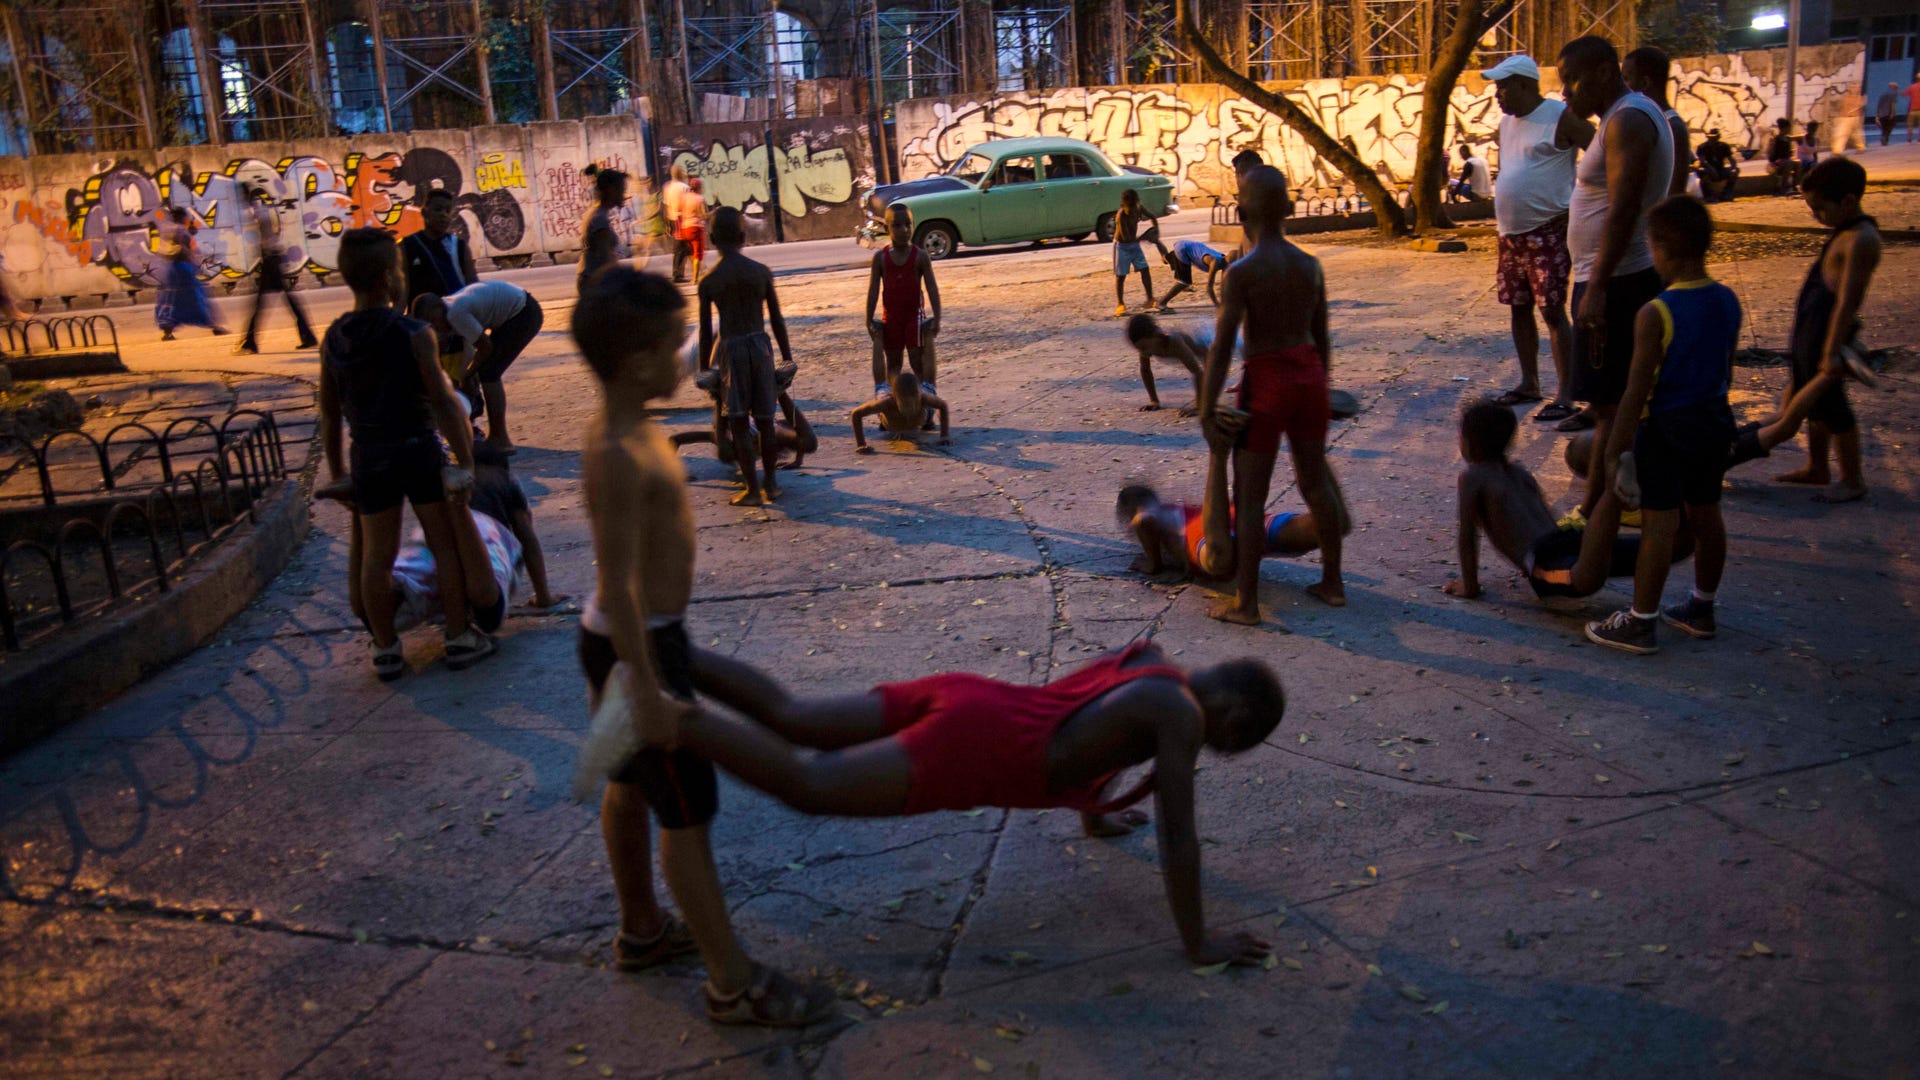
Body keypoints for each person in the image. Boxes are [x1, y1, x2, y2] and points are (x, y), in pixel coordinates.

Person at [665, 641, 1281, 968]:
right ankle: (666, 717)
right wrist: (1200, 942)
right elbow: (1180, 835)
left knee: (793, 717)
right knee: (807, 785)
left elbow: (1089, 719)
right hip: (982, 748)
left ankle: (661, 646)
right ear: (1234, 715)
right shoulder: (1182, 716)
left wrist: (1096, 813)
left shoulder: (1152, 664)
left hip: (972, 698)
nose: (1220, 750)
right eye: (1236, 741)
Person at [571, 265, 834, 1027]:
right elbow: (618, 584)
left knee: (627, 787)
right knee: (685, 814)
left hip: (624, 641)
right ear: (633, 363)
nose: (688, 352)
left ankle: (642, 929)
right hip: (639, 649)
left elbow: (679, 363)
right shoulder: (616, 451)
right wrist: (647, 688)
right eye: (674, 343)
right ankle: (731, 982)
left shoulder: (629, 415)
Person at [316, 228, 488, 679]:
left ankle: (386, 648)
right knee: (442, 546)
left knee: (378, 555)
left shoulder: (333, 339)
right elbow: (445, 403)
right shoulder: (415, 333)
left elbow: (329, 415)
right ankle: (457, 636)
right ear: (392, 279)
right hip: (417, 451)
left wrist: (340, 474)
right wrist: (465, 462)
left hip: (369, 457)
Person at [1585, 196, 1740, 655]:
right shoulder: (1728, 299)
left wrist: (1615, 451)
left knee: (1659, 524)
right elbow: (1726, 368)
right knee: (1707, 512)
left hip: (1666, 427)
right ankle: (1702, 607)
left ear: (1661, 250)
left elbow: (1636, 391)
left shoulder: (1656, 312)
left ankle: (1640, 621)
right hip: (1713, 421)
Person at [1198, 166, 1346, 624]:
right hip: (1308, 376)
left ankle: (1246, 602)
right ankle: (1333, 582)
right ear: (1290, 208)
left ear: (1239, 213)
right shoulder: (1310, 266)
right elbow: (1322, 339)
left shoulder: (1242, 272)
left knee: (1250, 494)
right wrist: (1324, 385)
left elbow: (1223, 346)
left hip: (1265, 380)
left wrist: (1206, 406)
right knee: (1314, 480)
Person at [1558, 35, 1674, 525]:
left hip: (1619, 279)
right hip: (1611, 275)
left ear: (1604, 73)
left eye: (1572, 81)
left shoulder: (1628, 118)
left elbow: (1625, 207)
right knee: (1613, 403)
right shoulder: (1620, 119)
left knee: (1609, 407)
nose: (1567, 93)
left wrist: (1599, 285)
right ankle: (1617, 498)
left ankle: (1595, 512)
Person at [1732, 157, 1881, 504]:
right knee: (1814, 405)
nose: (1816, 215)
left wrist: (1831, 350)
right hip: (1810, 330)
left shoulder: (1861, 239)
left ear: (1847, 201)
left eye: (1820, 208)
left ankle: (1853, 478)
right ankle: (1817, 466)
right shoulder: (1844, 231)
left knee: (1834, 409)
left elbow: (1847, 302)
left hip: (1827, 332)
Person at [323, 442, 565, 639]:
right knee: (487, 606)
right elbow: (528, 538)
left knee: (380, 605)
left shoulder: (439, 486)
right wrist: (543, 596)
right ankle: (460, 506)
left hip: (433, 538)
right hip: (483, 535)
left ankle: (356, 510)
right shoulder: (505, 480)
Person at [1442, 401, 1672, 603]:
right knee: (1638, 552)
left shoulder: (1472, 476)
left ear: (1470, 441)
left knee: (1582, 579)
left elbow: (1468, 535)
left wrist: (1470, 586)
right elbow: (1540, 515)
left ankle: (1613, 492)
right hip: (1567, 538)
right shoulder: (1519, 472)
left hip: (1546, 559)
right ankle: (1670, 533)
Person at [1482, 54, 1594, 425]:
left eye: (1503, 86)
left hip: (1548, 229)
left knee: (1552, 310)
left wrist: (1578, 206)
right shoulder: (1506, 123)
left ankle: (1566, 393)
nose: (1497, 94)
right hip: (1510, 234)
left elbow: (1600, 154)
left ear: (1526, 85)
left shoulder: (1560, 116)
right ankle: (1529, 382)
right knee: (1518, 306)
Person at [1119, 427, 1343, 581]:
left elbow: (1143, 520)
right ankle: (1312, 452)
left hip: (1205, 536)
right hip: (1240, 519)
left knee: (1220, 561)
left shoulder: (1155, 511)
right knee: (1327, 526)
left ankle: (1219, 452)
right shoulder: (1179, 510)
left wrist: (1153, 564)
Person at [699, 206, 797, 506]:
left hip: (732, 350)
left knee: (739, 423)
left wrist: (705, 369)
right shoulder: (760, 272)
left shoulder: (709, 282)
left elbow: (705, 332)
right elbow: (777, 320)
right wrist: (786, 358)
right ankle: (771, 483)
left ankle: (752, 489)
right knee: (766, 421)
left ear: (712, 239)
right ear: (743, 236)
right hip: (760, 347)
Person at [409, 280, 545, 453]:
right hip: (517, 308)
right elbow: (471, 351)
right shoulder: (449, 307)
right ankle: (498, 436)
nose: (438, 329)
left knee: (489, 373)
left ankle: (500, 439)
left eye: (435, 323)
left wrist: (467, 375)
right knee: (485, 370)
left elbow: (485, 346)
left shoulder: (455, 314)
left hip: (524, 313)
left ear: (438, 310)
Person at [673, 364, 817, 472]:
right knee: (725, 449)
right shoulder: (734, 439)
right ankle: (720, 393)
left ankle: (721, 393)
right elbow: (675, 439)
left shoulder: (770, 434)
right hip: (739, 425)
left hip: (748, 426)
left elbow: (675, 439)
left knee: (726, 448)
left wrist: (798, 461)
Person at [864, 203, 942, 404]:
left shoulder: (920, 256)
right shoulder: (880, 258)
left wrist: (937, 318)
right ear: (887, 228)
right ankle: (893, 405)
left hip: (913, 317)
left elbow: (932, 288)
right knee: (893, 363)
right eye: (897, 225)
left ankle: (923, 404)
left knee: (917, 361)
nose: (904, 230)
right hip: (891, 317)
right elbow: (873, 289)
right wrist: (868, 317)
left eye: (908, 224)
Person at [234, 185, 315, 354]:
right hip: (271, 259)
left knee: (260, 304)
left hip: (270, 260)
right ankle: (307, 336)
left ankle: (250, 342)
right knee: (283, 301)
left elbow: (263, 229)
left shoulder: (258, 211)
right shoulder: (262, 210)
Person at [1623, 47, 1691, 194]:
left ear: (1644, 83)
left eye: (1627, 79)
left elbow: (1675, 191)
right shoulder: (1646, 120)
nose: (1623, 87)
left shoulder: (1673, 126)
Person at [154, 208, 226, 340]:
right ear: (182, 217)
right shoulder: (181, 230)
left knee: (170, 299)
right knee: (198, 297)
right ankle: (213, 326)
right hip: (183, 268)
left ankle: (167, 332)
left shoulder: (165, 229)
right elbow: (189, 249)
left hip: (169, 270)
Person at [401, 188, 478, 307]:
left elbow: (473, 285)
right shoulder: (407, 245)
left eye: (447, 211)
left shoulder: (459, 245)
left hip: (456, 317)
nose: (443, 214)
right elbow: (402, 291)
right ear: (424, 213)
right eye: (438, 209)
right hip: (423, 320)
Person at [1124, 314, 1208, 414]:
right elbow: (1145, 370)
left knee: (1212, 368)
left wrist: (1199, 406)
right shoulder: (1147, 345)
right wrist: (1154, 401)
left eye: (1143, 347)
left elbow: (1197, 372)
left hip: (1206, 343)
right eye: (1139, 348)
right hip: (1191, 351)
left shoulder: (1174, 342)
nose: (1142, 351)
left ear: (1154, 336)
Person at [851, 369, 949, 453]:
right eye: (905, 403)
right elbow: (856, 413)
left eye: (913, 402)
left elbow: (943, 405)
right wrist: (861, 444)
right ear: (895, 398)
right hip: (891, 419)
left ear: (918, 396)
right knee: (881, 388)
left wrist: (944, 435)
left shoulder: (924, 398)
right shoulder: (886, 403)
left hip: (922, 416)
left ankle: (928, 420)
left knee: (929, 388)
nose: (909, 406)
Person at [578, 167, 631, 294]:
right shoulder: (599, 219)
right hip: (595, 285)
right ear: (612, 190)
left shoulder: (598, 214)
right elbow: (605, 259)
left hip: (594, 281)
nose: (624, 195)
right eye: (622, 191)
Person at [1112, 188, 1160, 316]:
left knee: (1145, 269)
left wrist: (1156, 230)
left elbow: (1152, 216)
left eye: (1135, 206)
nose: (1133, 210)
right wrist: (1146, 236)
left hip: (1134, 244)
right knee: (1121, 276)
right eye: (1130, 208)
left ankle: (1150, 299)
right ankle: (1120, 304)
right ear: (1124, 205)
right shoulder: (1121, 216)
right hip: (1122, 246)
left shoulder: (1138, 208)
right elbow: (1127, 237)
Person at [1156, 238, 1228, 308]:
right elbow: (1209, 287)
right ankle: (1161, 303)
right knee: (1184, 282)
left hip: (1186, 245)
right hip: (1183, 249)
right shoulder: (1214, 262)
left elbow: (1224, 285)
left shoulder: (1224, 260)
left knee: (1165, 260)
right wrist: (1218, 305)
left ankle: (1156, 241)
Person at [662, 164, 693, 283]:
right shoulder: (684, 187)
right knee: (683, 247)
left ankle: (688, 271)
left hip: (673, 219)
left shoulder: (667, 187)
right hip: (683, 219)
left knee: (683, 247)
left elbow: (666, 206)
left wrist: (667, 223)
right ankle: (678, 274)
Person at [678, 178, 709, 284]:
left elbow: (679, 210)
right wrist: (713, 212)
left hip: (684, 228)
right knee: (697, 254)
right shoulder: (699, 199)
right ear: (699, 187)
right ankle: (695, 278)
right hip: (695, 228)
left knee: (691, 252)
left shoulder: (684, 197)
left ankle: (699, 272)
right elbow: (704, 214)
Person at [1695, 129, 1739, 203]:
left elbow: (1731, 159)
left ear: (1718, 137)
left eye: (1714, 137)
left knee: (1735, 171)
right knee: (1701, 173)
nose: (1711, 139)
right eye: (1710, 137)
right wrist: (1710, 168)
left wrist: (1733, 168)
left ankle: (1726, 194)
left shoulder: (1724, 146)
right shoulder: (1702, 147)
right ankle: (1709, 196)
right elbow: (1702, 161)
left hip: (1720, 169)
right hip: (1708, 169)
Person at [1767, 118, 1800, 196]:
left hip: (1785, 161)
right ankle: (1784, 188)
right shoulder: (1776, 139)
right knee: (1788, 163)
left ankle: (1795, 186)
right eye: (1788, 128)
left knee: (1798, 164)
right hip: (1776, 163)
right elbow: (1772, 155)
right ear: (1785, 128)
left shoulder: (1787, 138)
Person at [1908, 76, 1920, 145]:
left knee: (1910, 125)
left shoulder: (1912, 87)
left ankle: (1909, 139)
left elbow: (1905, 93)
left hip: (1912, 109)